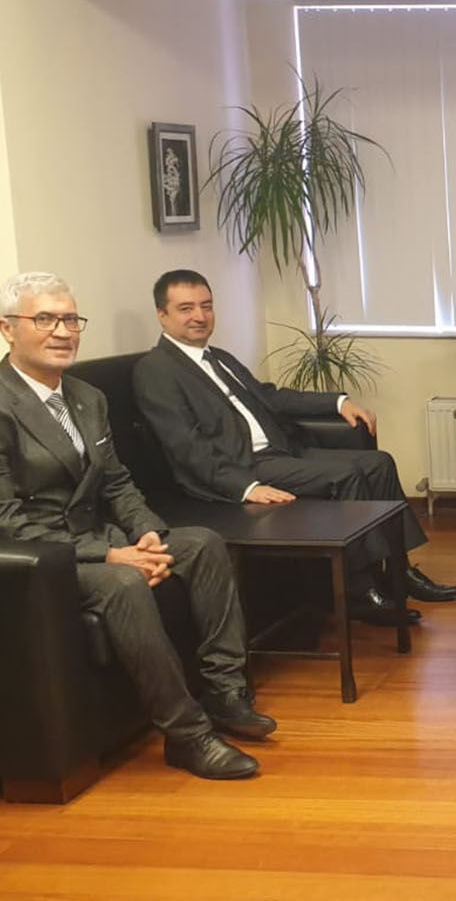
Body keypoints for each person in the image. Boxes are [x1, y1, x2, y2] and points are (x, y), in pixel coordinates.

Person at [0, 271, 273, 780]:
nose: (62, 332)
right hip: (45, 558)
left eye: (70, 320)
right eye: (45, 319)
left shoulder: (86, 397)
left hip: (104, 536)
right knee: (124, 582)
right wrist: (110, 555)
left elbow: (118, 483)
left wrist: (147, 532)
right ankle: (187, 736)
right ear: (8, 328)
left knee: (202, 544)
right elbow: (7, 520)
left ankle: (225, 692)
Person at [131, 269, 456, 628]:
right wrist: (246, 487)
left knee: (378, 463)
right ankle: (359, 592)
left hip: (281, 452)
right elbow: (185, 446)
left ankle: (399, 573)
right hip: (244, 467)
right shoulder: (156, 370)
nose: (199, 316)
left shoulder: (218, 357)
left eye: (206, 306)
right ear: (162, 315)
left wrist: (337, 402)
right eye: (186, 308)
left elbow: (268, 397)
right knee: (346, 475)